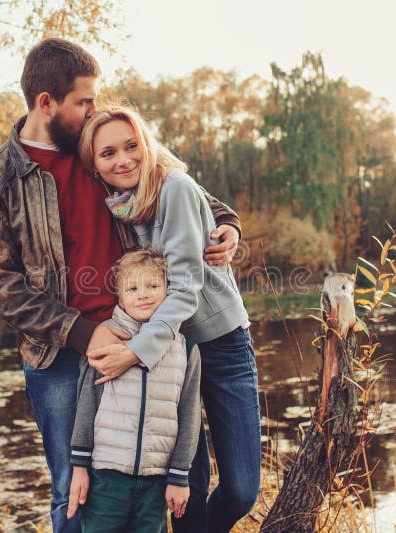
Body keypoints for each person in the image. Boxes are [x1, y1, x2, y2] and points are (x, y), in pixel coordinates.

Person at [0, 38, 241, 533]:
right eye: (84, 101)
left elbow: (184, 187)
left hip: (141, 330)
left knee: (159, 485)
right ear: (47, 103)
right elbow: (1, 288)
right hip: (58, 354)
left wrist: (230, 225)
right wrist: (81, 331)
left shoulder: (106, 144)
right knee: (73, 492)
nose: (95, 109)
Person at [79, 105, 260, 533]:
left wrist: (134, 353)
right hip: (170, 353)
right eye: (108, 154)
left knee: (240, 490)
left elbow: (185, 287)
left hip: (218, 344)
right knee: (186, 492)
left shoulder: (173, 187)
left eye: (130, 147)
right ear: (95, 165)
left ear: (146, 144)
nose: (123, 160)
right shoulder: (122, 206)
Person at [66, 247, 201, 532]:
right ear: (120, 296)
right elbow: (86, 404)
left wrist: (179, 477)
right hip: (106, 477)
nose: (143, 294)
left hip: (156, 480)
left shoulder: (185, 349)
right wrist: (80, 466)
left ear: (168, 289)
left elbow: (190, 416)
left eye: (153, 285)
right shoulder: (105, 338)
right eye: (133, 287)